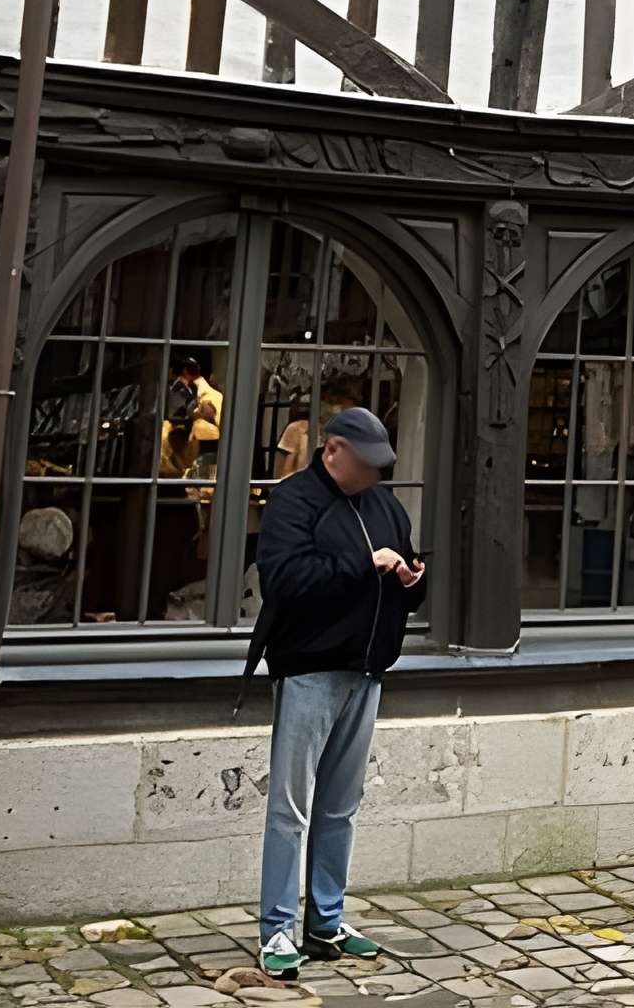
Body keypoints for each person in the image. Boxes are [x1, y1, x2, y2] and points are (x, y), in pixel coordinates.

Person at [248, 404, 422, 977]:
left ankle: (325, 922)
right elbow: (285, 580)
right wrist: (363, 565)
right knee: (290, 808)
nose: (375, 477)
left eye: (381, 467)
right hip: (309, 670)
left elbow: (404, 582)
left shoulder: (385, 504)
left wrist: (412, 580)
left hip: (367, 670)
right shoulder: (293, 502)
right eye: (366, 465)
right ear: (332, 451)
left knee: (341, 807)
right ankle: (277, 930)